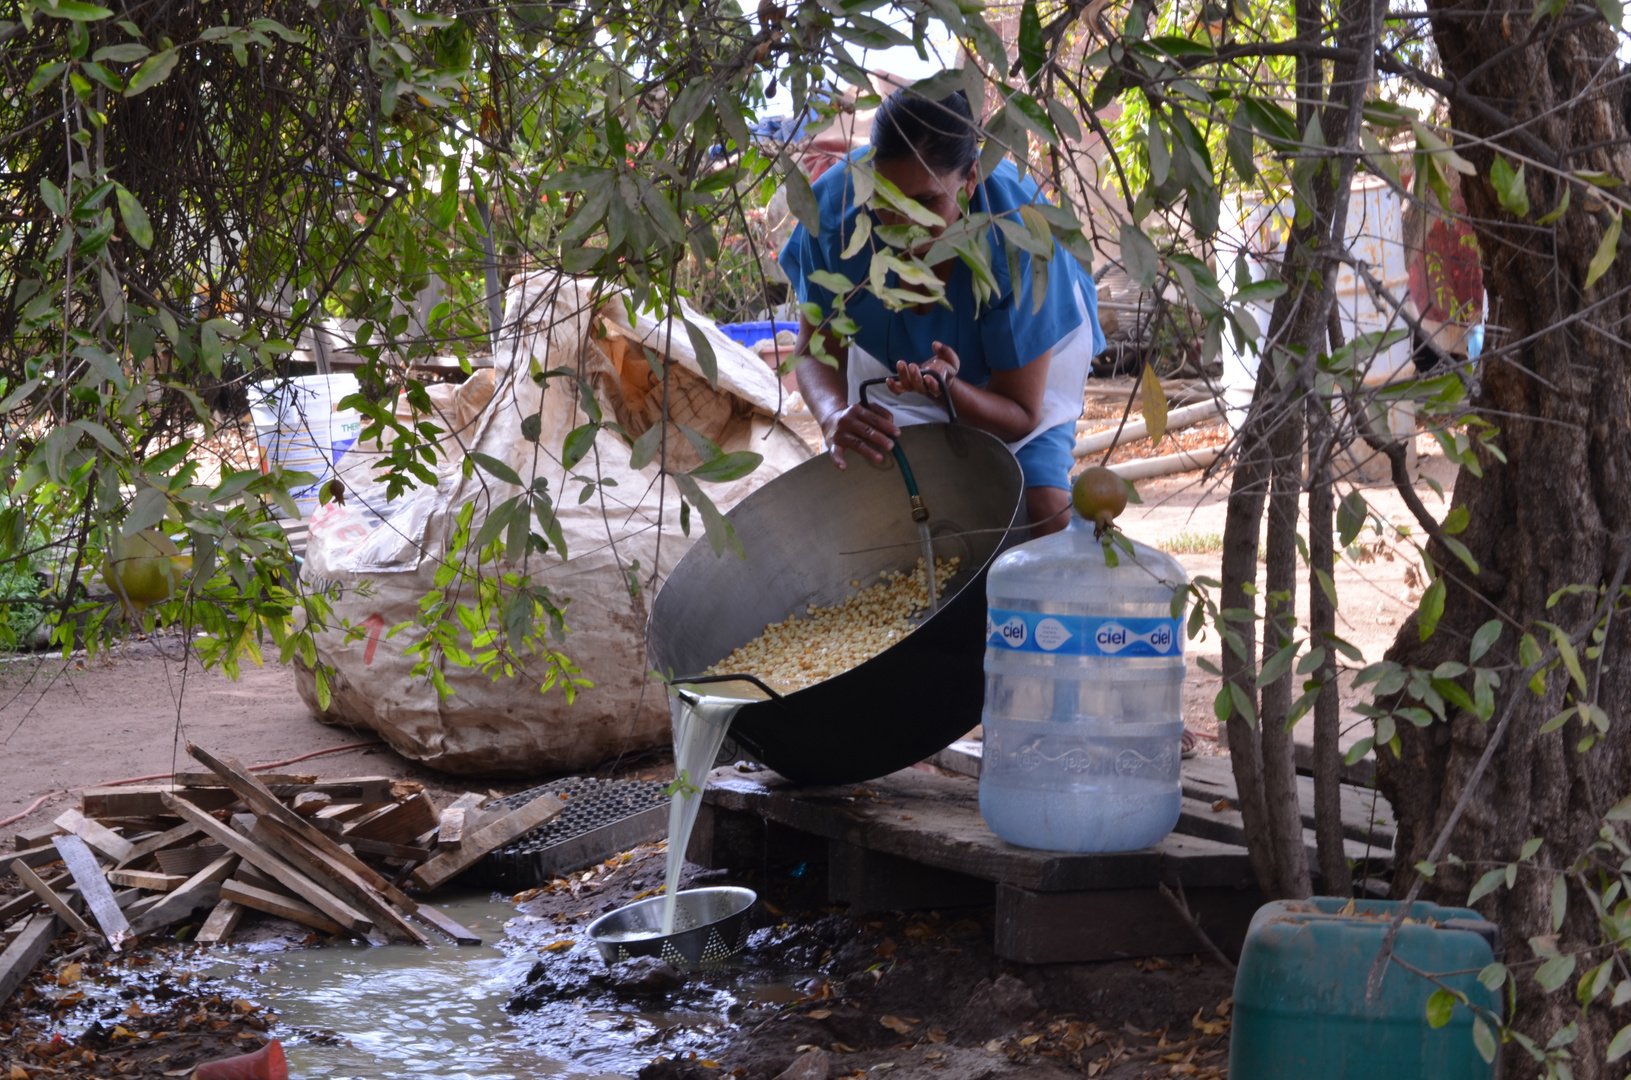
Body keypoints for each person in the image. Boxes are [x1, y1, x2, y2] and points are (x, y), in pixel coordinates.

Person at [779, 86, 1104, 535]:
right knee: (878, 506)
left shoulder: (1016, 237)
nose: (905, 226)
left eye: (928, 201)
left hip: (1033, 359)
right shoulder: (832, 218)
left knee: (1043, 507)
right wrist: (835, 415)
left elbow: (1020, 414)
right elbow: (814, 351)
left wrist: (952, 390)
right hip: (906, 368)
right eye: (888, 201)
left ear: (970, 179)